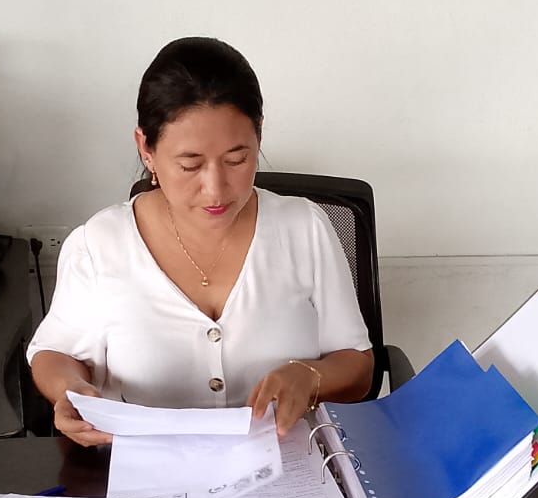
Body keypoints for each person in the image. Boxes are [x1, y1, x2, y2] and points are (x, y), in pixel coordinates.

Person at [27, 37, 374, 446]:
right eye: (190, 165)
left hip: (288, 467)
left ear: (259, 135)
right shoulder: (99, 245)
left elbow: (358, 365)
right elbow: (55, 353)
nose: (216, 189)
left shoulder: (305, 228)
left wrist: (310, 375)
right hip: (148, 468)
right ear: (146, 148)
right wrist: (71, 390)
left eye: (237, 160)